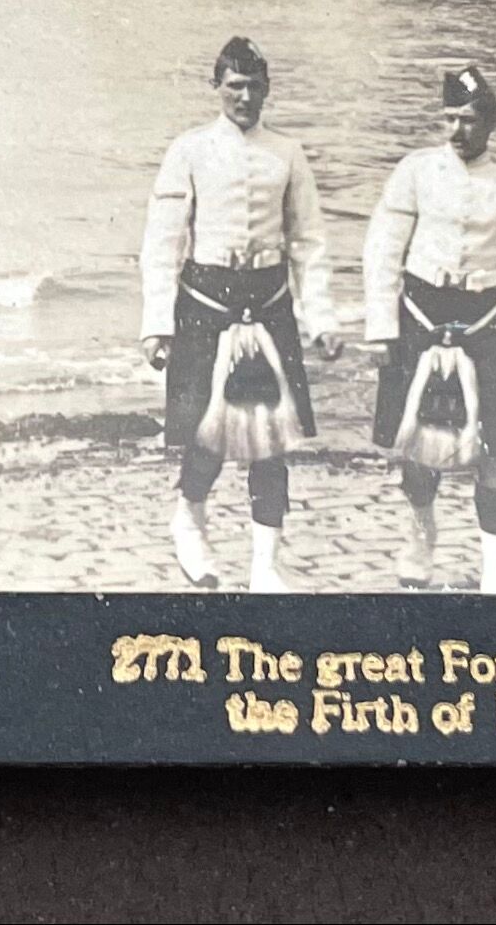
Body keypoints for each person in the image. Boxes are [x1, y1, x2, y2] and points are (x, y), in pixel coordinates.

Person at [140, 35, 342, 592]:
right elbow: (162, 242)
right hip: (206, 301)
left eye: (254, 86)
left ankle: (265, 566)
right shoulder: (189, 149)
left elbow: (309, 241)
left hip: (269, 302)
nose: (245, 97)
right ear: (217, 89)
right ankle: (191, 521)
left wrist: (322, 318)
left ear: (267, 89)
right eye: (235, 86)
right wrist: (156, 323)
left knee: (271, 440)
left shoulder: (289, 152)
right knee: (207, 434)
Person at [363, 62, 496, 594]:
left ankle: (495, 568)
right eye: (448, 118)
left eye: (468, 120)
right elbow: (382, 249)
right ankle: (421, 537)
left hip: (486, 321)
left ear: (489, 123)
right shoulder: (416, 171)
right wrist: (381, 328)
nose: (456, 130)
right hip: (420, 316)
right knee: (419, 447)